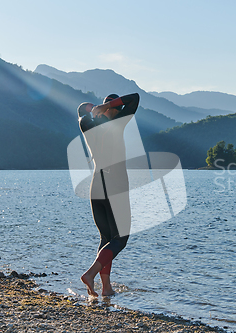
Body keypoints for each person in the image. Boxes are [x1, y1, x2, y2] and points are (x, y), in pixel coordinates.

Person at [77, 92, 140, 297]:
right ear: (112, 109)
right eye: (117, 108)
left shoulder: (87, 125)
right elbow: (135, 98)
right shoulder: (117, 123)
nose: (120, 110)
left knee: (106, 238)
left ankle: (106, 288)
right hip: (115, 184)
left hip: (96, 185)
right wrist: (110, 106)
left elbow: (81, 108)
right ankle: (90, 274)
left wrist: (98, 108)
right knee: (120, 238)